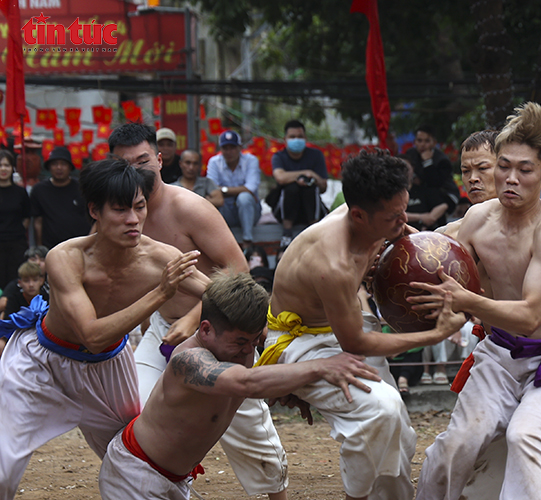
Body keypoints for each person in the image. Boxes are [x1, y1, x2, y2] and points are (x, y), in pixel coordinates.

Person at [411, 102, 541, 499]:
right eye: (503, 166)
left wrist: (465, 299)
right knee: (457, 445)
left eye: (525, 170)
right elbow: (439, 261)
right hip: (500, 353)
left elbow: (530, 315)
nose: (511, 178)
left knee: (527, 438)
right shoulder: (478, 220)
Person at [263, 149, 467, 500]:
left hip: (343, 325)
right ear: (357, 214)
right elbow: (355, 343)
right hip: (300, 342)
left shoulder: (380, 217)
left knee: (400, 434)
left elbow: (410, 240)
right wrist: (435, 334)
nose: (403, 221)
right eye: (393, 216)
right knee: (380, 412)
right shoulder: (333, 263)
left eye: (404, 209)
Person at [0, 158, 208, 498]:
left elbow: (217, 297)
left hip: (110, 367)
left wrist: (252, 314)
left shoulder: (161, 257)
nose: (133, 219)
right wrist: (161, 293)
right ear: (94, 210)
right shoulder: (65, 257)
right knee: (2, 468)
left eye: (139, 207)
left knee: (144, 460)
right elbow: (93, 336)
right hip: (42, 363)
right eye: (120, 210)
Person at [108, 123, 292, 500]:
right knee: (135, 411)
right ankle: (169, 487)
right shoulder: (119, 216)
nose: (135, 171)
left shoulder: (189, 207)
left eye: (143, 161)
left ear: (160, 160)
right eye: (125, 165)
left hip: (218, 331)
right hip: (162, 330)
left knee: (252, 435)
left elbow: (238, 268)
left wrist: (194, 319)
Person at [98, 272, 382, 500]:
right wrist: (322, 365)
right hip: (136, 472)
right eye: (240, 341)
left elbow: (254, 380)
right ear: (206, 329)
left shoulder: (240, 350)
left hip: (175, 478)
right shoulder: (189, 360)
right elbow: (245, 382)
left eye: (254, 340)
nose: (248, 350)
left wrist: (292, 392)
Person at [270, 120, 329, 248]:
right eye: (292, 137)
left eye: (300, 136)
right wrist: (305, 173)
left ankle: (315, 233)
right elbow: (280, 178)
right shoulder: (279, 157)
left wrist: (312, 179)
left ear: (305, 138)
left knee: (310, 189)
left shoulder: (316, 155)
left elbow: (323, 187)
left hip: (310, 208)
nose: (296, 140)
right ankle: (286, 234)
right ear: (285, 139)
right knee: (291, 188)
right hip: (286, 209)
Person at [207, 130, 262, 249]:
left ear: (240, 148)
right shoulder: (214, 162)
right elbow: (211, 190)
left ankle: (247, 241)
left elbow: (250, 188)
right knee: (216, 202)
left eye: (232, 147)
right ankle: (221, 243)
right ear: (220, 149)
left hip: (251, 212)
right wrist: (241, 189)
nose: (229, 152)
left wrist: (223, 190)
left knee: (244, 198)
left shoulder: (251, 160)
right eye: (225, 148)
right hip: (226, 210)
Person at [30, 146, 91, 249]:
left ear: (70, 167)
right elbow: (38, 221)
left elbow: (94, 216)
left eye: (63, 164)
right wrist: (40, 248)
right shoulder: (39, 190)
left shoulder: (82, 188)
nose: (59, 168)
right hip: (51, 247)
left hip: (79, 246)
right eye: (55, 164)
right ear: (49, 167)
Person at [403, 125, 460, 209]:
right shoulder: (411, 154)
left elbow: (435, 183)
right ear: (415, 142)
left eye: (427, 141)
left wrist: (427, 162)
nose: (422, 144)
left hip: (445, 195)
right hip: (423, 194)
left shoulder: (442, 160)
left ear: (434, 142)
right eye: (419, 140)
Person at [0, 149, 30, 289]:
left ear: (12, 168)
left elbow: (26, 217)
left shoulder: (20, 192)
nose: (3, 169)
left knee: (16, 279)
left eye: (7, 165)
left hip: (16, 243)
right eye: (0, 165)